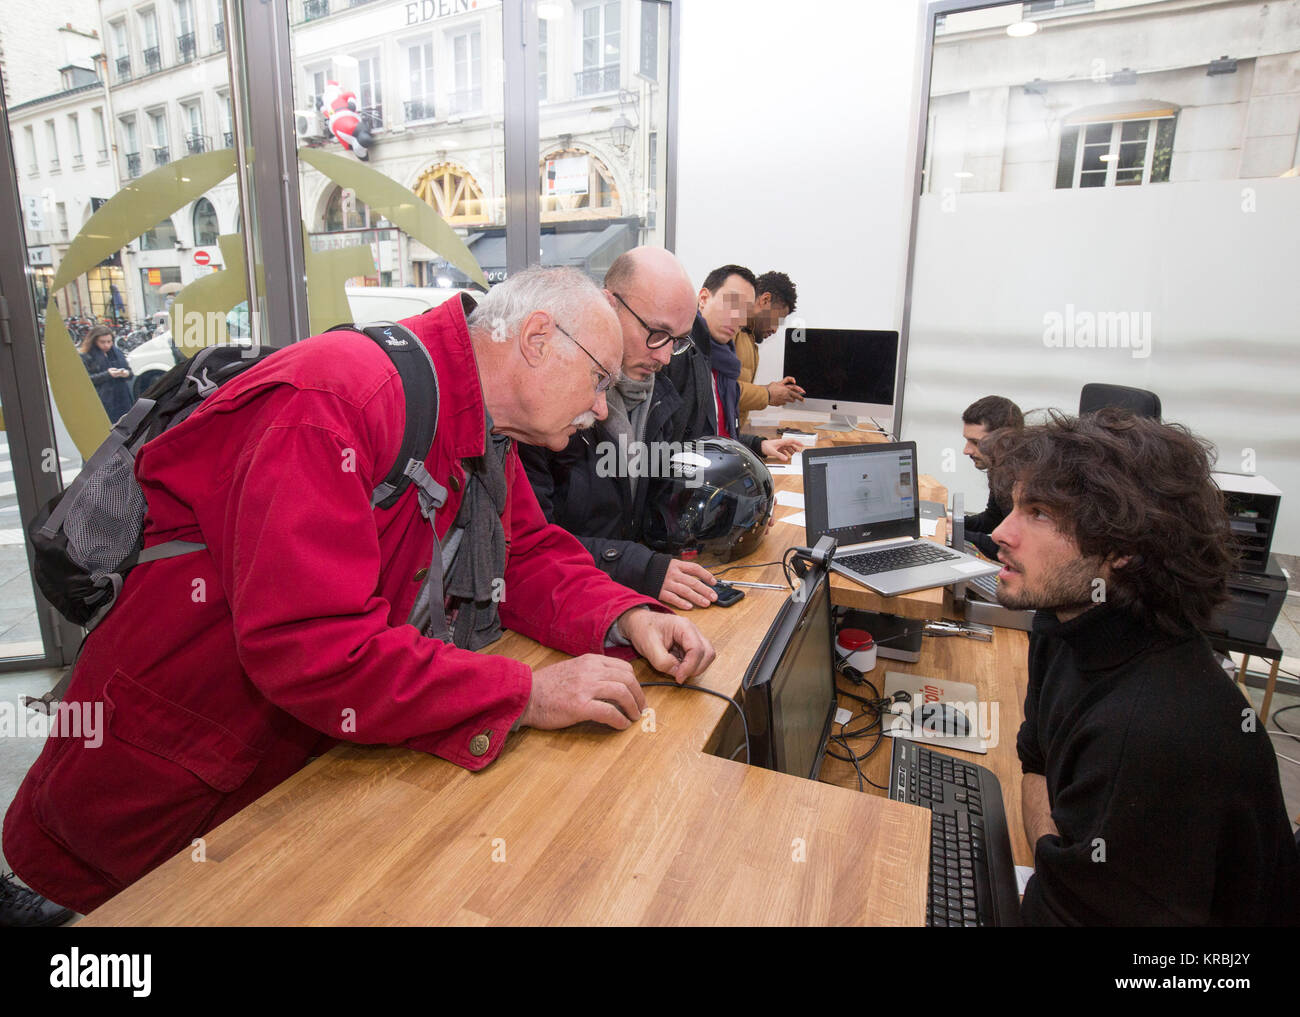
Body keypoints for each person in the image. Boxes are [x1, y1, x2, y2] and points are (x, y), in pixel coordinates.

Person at [3, 267, 716, 915]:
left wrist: (625, 615)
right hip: (150, 797)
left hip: (277, 778)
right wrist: (524, 695)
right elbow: (315, 646)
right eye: (598, 381)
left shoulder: (480, 418)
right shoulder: (335, 397)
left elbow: (522, 552)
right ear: (536, 339)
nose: (599, 408)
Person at [984, 409, 1300, 925]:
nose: (1001, 531)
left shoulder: (1153, 732)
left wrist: (1059, 861)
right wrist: (1059, 854)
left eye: (1038, 512)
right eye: (1014, 506)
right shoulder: (1066, 623)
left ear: (1122, 549)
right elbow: (1035, 760)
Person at [520, 247, 723, 610]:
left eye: (677, 341)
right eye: (657, 333)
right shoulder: (544, 400)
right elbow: (529, 547)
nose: (664, 357)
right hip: (557, 602)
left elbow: (659, 499)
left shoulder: (662, 395)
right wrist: (634, 566)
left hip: (618, 597)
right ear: (608, 305)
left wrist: (727, 515)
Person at [662, 264, 802, 463]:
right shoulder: (677, 354)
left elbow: (718, 434)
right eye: (732, 304)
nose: (739, 318)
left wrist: (758, 444)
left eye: (745, 310)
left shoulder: (722, 360)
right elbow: (675, 447)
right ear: (703, 299)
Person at [736, 270, 803, 431]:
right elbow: (718, 391)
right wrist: (767, 394)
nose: (775, 330)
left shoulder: (748, 338)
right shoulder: (732, 330)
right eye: (777, 320)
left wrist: (769, 390)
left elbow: (734, 389)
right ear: (765, 299)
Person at [960, 394, 1022, 558]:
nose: (966, 450)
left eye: (976, 442)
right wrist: (957, 524)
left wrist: (957, 534)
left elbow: (1014, 547)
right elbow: (994, 518)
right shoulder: (999, 467)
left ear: (1006, 441)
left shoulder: (1027, 482)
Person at [79, 325, 134, 422]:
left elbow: (130, 372)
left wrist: (126, 373)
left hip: (123, 398)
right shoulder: (87, 356)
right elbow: (86, 380)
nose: (107, 345)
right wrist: (107, 374)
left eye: (109, 341)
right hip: (103, 401)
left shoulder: (117, 353)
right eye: (102, 342)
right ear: (94, 341)